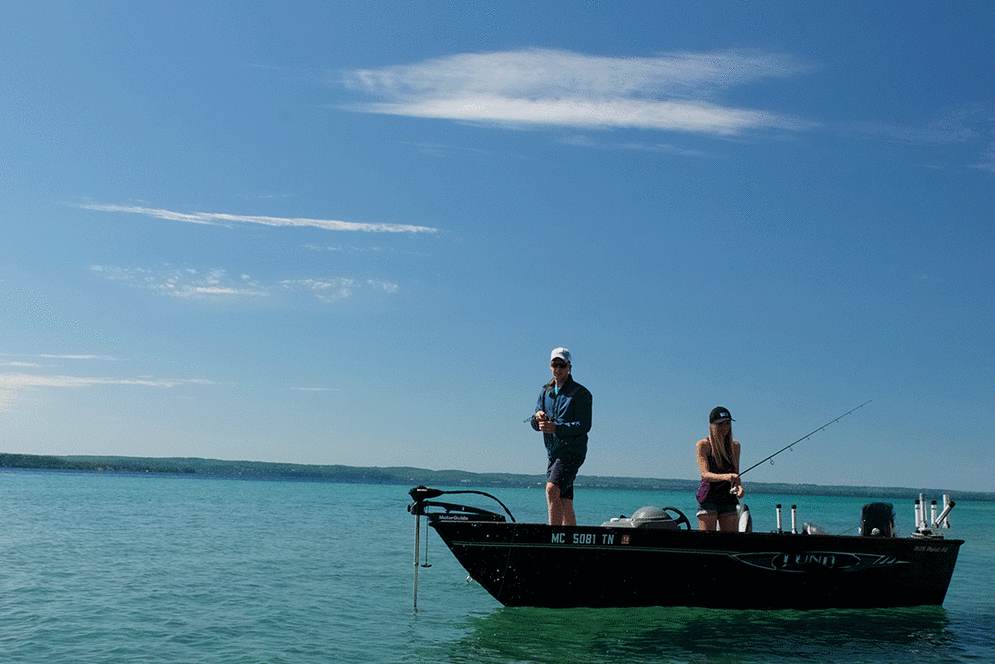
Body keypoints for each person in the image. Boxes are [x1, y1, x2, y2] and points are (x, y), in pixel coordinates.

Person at [529, 348, 592, 526]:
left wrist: (557, 428)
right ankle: (571, 545)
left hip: (573, 451)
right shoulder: (545, 391)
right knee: (564, 501)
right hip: (553, 452)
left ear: (569, 367)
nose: (557, 369)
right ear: (550, 366)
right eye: (554, 365)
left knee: (551, 490)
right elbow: (536, 424)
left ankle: (553, 539)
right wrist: (538, 418)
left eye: (561, 365)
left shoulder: (581, 393)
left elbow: (585, 425)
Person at [695, 406, 745, 531]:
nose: (726, 427)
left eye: (728, 423)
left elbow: (736, 475)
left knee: (729, 542)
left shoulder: (735, 446)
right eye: (721, 424)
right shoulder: (703, 445)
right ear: (712, 426)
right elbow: (705, 474)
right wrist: (727, 477)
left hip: (728, 498)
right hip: (709, 497)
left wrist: (739, 487)